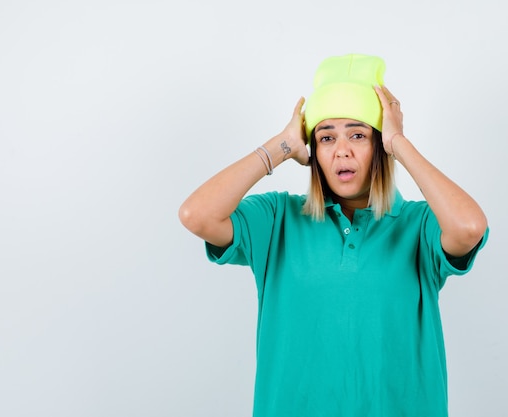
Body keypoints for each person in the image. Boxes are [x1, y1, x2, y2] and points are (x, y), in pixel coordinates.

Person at [179, 53, 489, 417]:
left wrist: (399, 144)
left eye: (358, 135)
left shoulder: (419, 225)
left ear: (378, 146)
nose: (341, 149)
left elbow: (469, 228)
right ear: (314, 151)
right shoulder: (278, 218)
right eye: (326, 138)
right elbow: (196, 215)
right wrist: (280, 146)